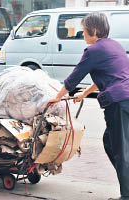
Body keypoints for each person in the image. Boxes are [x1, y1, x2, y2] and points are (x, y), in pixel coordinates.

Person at [48, 12, 129, 200]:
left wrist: (56, 98)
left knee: (119, 148)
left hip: (118, 103)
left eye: (83, 30)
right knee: (110, 142)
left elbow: (73, 78)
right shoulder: (114, 46)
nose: (82, 34)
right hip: (125, 99)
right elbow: (108, 75)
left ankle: (126, 195)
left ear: (93, 31)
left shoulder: (93, 51)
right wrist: (84, 93)